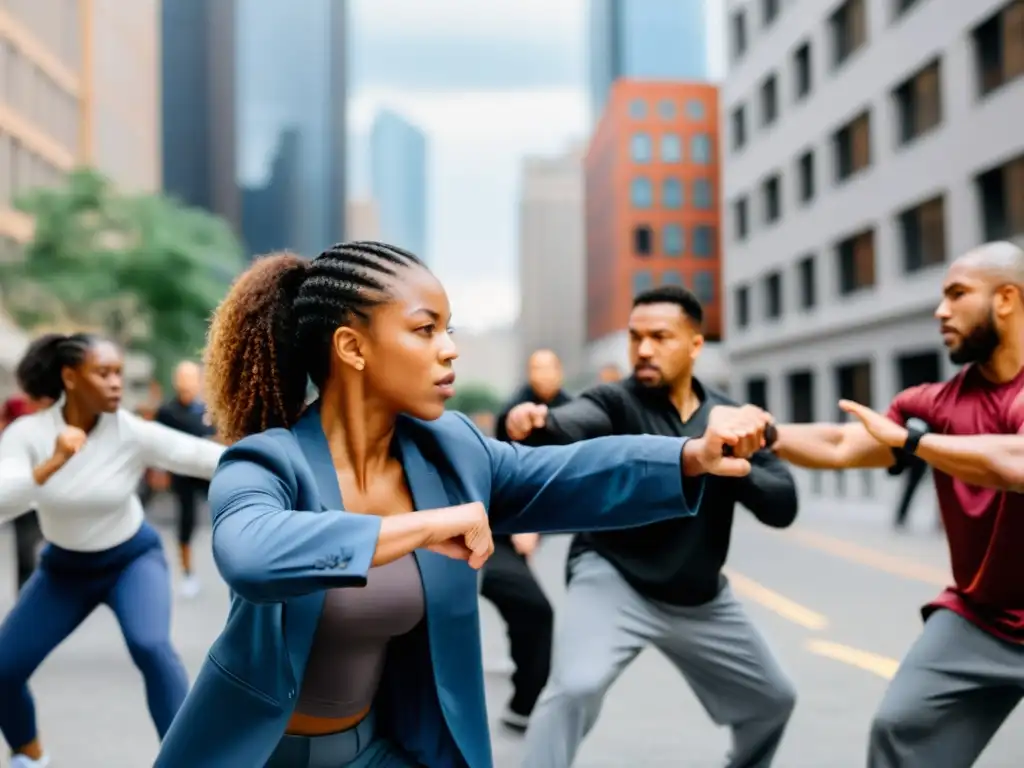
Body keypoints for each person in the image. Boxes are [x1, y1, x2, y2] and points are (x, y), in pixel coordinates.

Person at [154, 243, 773, 768]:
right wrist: (421, 528)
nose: (449, 349)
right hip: (259, 755)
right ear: (352, 346)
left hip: (380, 750)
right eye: (425, 330)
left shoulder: (450, 449)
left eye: (448, 329)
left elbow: (564, 473)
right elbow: (253, 556)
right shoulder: (268, 462)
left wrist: (689, 455)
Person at [510, 285, 799, 768]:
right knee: (574, 687)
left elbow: (782, 507)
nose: (643, 349)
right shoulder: (615, 401)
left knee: (773, 699)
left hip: (699, 597)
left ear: (695, 344)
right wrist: (536, 422)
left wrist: (740, 458)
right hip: (614, 576)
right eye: (635, 337)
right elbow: (567, 425)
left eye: (660, 336)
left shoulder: (727, 416)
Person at [769, 241, 1024, 768]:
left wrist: (914, 443)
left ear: (1006, 298)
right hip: (983, 619)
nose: (941, 311)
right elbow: (842, 445)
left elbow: (1015, 463)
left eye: (957, 294)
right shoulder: (935, 403)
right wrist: (763, 433)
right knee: (900, 728)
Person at [0, 333, 225, 768]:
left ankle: (187, 761)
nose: (116, 383)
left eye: (119, 373)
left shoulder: (130, 431)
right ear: (69, 377)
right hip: (64, 571)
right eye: (103, 373)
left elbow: (202, 456)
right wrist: (54, 462)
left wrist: (272, 458)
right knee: (4, 668)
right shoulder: (30, 433)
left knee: (151, 646)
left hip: (130, 560)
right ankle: (29, 756)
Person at [482, 349, 568, 734]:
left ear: (559, 372)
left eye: (547, 368)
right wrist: (521, 521)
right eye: (535, 368)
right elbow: (508, 472)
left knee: (533, 610)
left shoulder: (574, 409)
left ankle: (525, 701)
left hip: (543, 513)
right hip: (502, 524)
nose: (541, 375)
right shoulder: (512, 409)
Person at [156, 360, 217, 598]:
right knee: (186, 521)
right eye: (182, 378)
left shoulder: (209, 410)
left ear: (199, 381)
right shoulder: (166, 412)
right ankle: (188, 573)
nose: (186, 384)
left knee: (228, 513)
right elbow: (157, 443)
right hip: (182, 474)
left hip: (209, 473)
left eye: (191, 378)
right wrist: (158, 471)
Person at [1, 393, 50, 592]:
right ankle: (28, 591)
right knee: (29, 547)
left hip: (35, 492)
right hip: (26, 493)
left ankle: (29, 591)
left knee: (29, 548)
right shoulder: (20, 408)